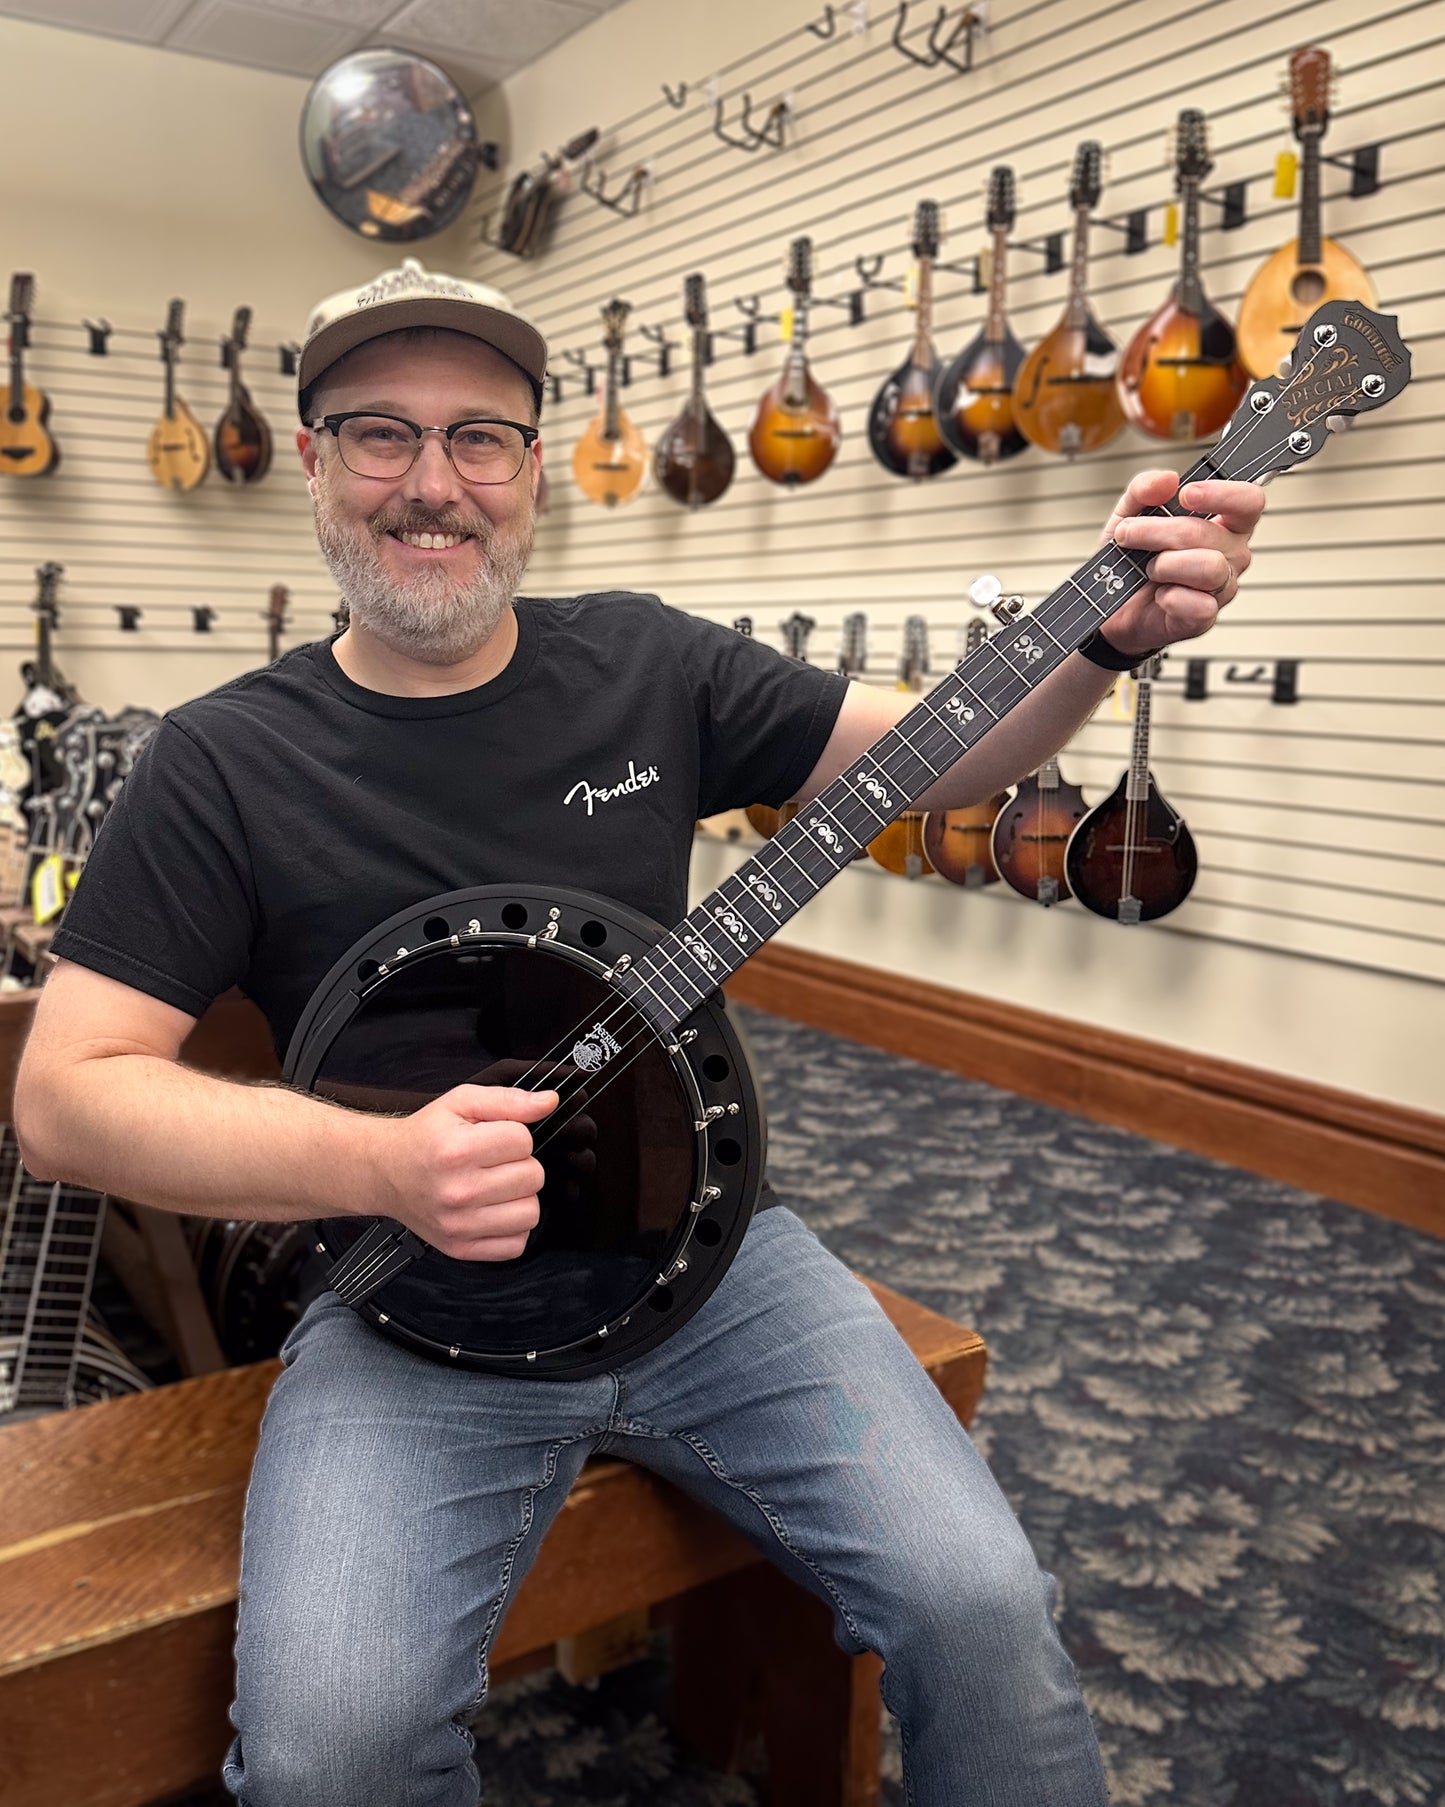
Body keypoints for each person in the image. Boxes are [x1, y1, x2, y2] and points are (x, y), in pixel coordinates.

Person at [16, 257, 1263, 1806]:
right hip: (418, 1308)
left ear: (532, 471)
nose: (433, 483)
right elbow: (66, 1100)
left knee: (983, 1609)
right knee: (331, 1753)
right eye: (380, 434)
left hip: (716, 1266)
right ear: (321, 465)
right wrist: (383, 1165)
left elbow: (940, 761)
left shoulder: (647, 660)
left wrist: (1101, 638)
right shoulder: (218, 762)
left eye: (480, 438)